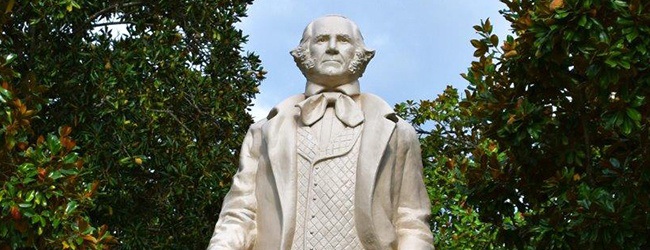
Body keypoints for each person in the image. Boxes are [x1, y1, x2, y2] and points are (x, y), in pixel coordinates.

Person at [208, 15, 433, 250]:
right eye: (322, 40)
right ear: (305, 53)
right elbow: (240, 212)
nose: (333, 48)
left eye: (343, 40)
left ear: (360, 53)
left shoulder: (397, 133)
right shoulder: (263, 131)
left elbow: (411, 222)